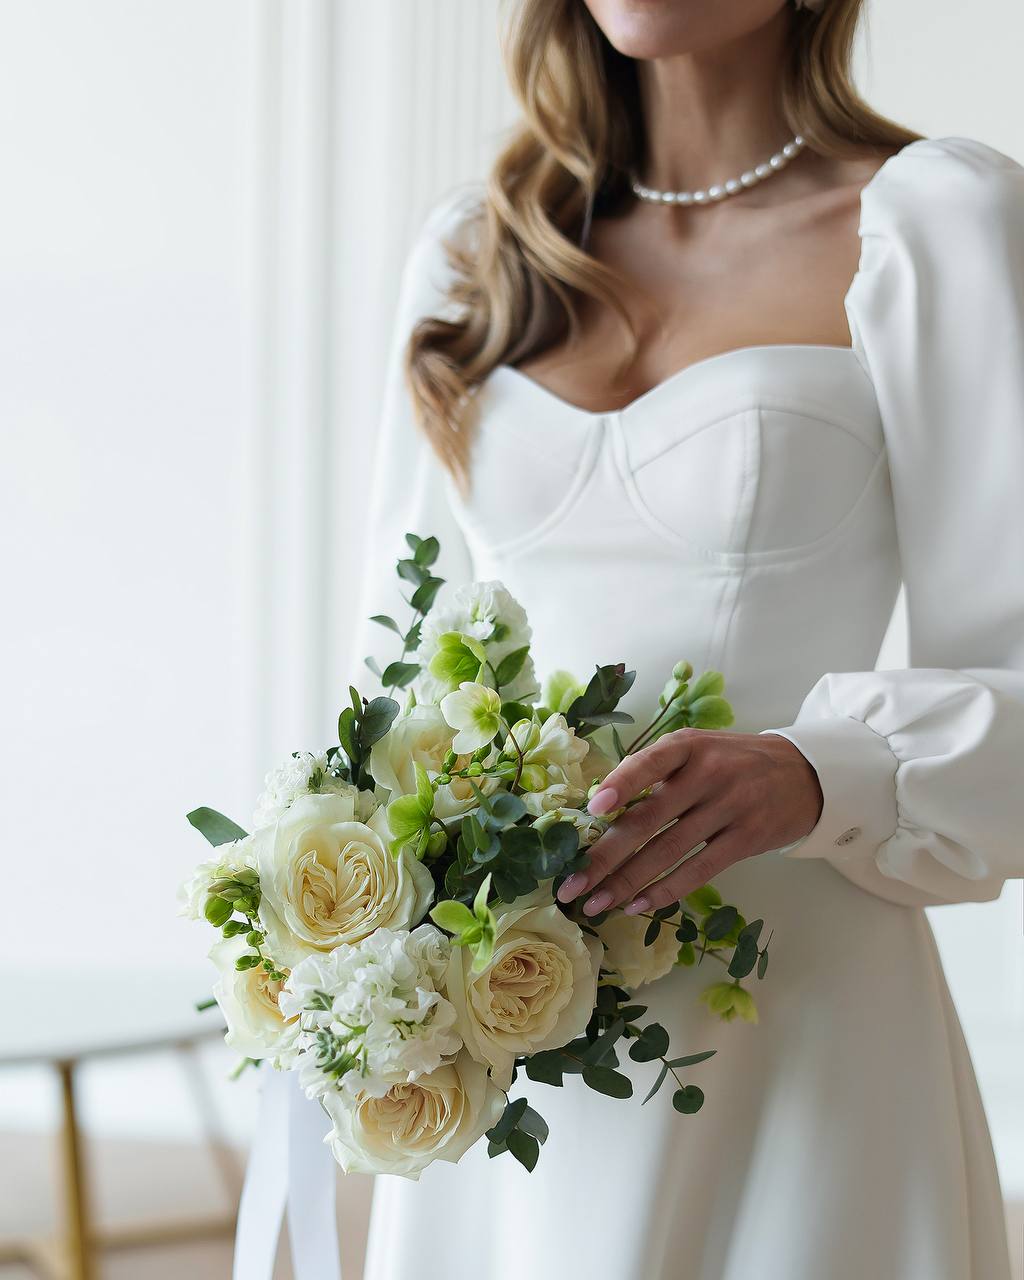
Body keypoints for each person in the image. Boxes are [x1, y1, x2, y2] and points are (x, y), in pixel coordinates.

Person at [352, 1, 1023, 1276]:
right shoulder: (478, 250)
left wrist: (821, 771)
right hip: (500, 1029)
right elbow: (390, 668)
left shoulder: (935, 223)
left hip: (791, 1013)